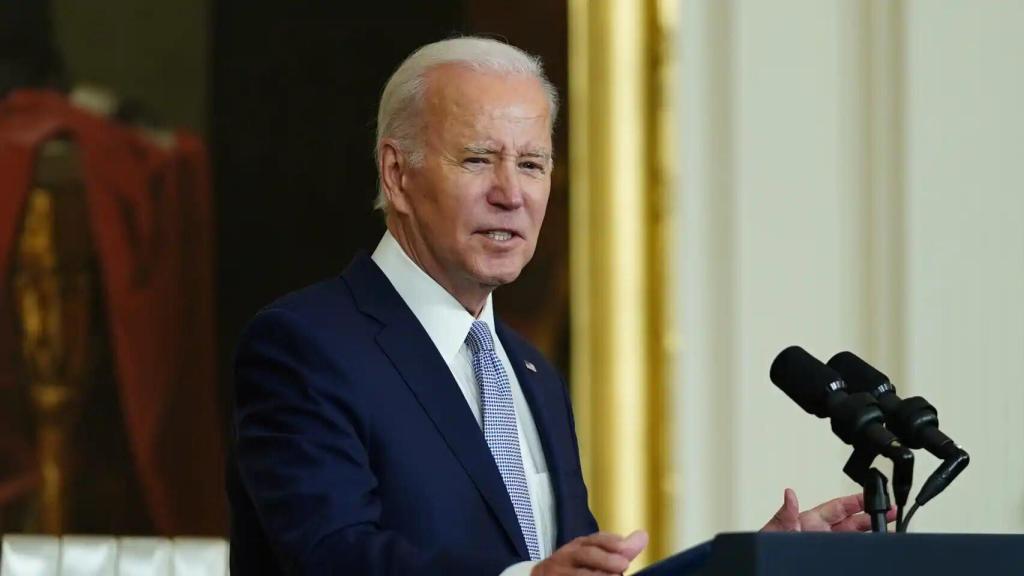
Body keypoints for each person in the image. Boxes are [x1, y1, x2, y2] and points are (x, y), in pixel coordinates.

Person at [227, 36, 890, 576]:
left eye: (535, 164)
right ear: (398, 175)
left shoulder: (530, 371)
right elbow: (332, 558)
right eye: (480, 159)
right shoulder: (305, 346)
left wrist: (752, 560)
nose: (512, 194)